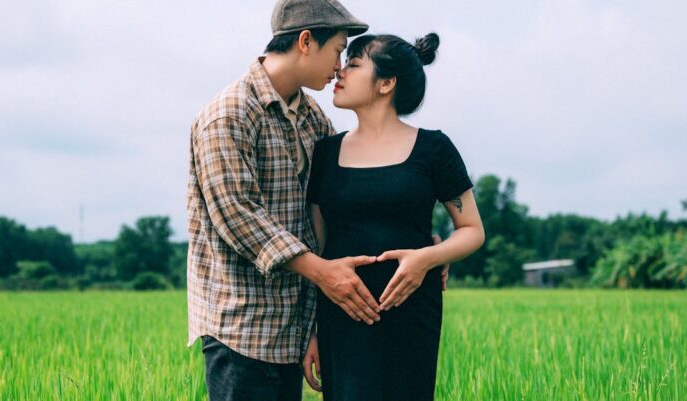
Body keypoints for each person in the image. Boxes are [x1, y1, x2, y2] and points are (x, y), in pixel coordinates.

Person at [186, 1, 377, 400]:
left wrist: (421, 247)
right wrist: (325, 273)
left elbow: (335, 204)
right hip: (241, 331)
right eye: (338, 49)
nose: (340, 66)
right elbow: (239, 216)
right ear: (306, 41)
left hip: (293, 331)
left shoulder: (312, 118)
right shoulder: (230, 113)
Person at [301, 32, 486, 401]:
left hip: (412, 310)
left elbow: (472, 230)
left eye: (353, 65)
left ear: (386, 83)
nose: (340, 71)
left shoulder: (434, 149)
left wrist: (425, 259)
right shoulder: (324, 153)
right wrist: (313, 330)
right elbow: (320, 250)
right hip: (342, 313)